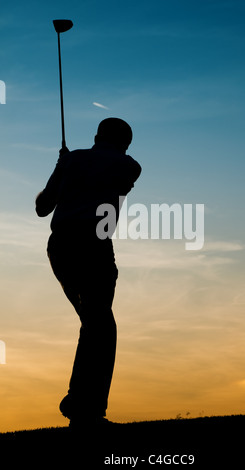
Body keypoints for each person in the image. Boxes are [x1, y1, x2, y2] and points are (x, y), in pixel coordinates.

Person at [35, 118, 141, 429]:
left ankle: (82, 408)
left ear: (96, 136)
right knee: (100, 325)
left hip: (61, 248)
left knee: (95, 324)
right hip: (94, 249)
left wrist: (63, 165)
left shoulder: (73, 160)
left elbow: (42, 207)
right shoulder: (130, 166)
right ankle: (84, 409)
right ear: (126, 143)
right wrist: (68, 164)